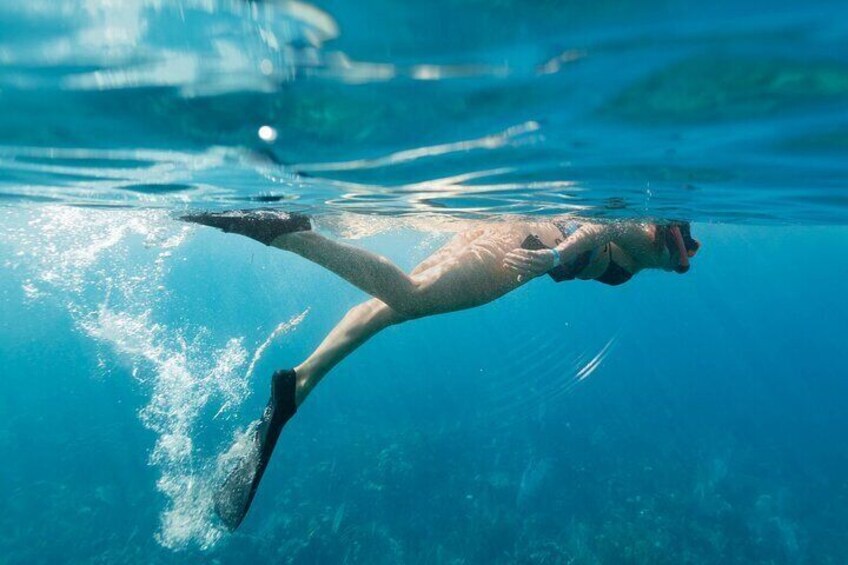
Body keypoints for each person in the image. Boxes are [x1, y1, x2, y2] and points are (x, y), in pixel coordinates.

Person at [181, 209, 700, 530]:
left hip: (515, 231)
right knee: (410, 296)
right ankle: (288, 235)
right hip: (529, 247)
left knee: (391, 309)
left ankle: (299, 382)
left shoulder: (666, 238)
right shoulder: (659, 238)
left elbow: (608, 226)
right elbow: (607, 226)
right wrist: (560, 253)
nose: (688, 250)